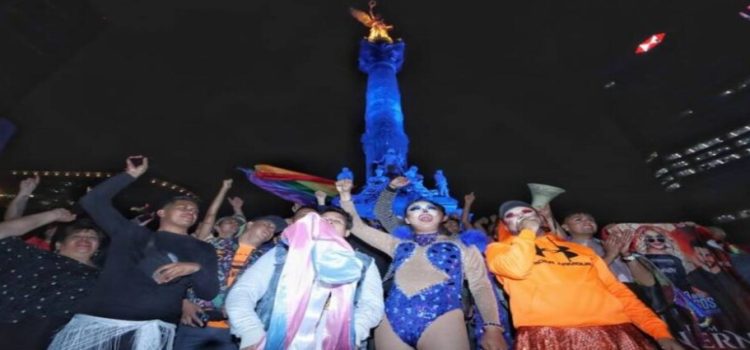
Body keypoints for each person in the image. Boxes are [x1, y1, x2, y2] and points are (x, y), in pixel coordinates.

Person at [49, 156, 219, 350]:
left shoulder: (203, 248)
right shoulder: (131, 233)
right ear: (161, 213)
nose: (191, 211)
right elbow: (93, 201)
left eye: (195, 211)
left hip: (153, 330)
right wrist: (129, 175)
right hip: (101, 323)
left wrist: (195, 268)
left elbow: (208, 292)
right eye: (183, 207)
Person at [486, 200, 683, 350]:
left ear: (540, 217)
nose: (520, 216)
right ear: (505, 225)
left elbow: (618, 292)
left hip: (615, 332)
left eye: (526, 212)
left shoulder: (580, 250)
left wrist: (659, 332)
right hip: (548, 335)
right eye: (511, 216)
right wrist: (527, 231)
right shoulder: (499, 249)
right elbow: (516, 269)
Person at [336, 179, 506, 350]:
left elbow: (480, 285)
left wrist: (493, 328)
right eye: (415, 208)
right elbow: (358, 227)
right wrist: (345, 196)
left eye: (431, 208)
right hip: (391, 320)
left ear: (443, 217)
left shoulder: (464, 246)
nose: (423, 210)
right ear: (407, 220)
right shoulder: (396, 244)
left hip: (443, 319)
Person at [225, 208, 384, 350]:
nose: (328, 222)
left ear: (347, 232)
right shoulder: (282, 254)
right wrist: (251, 332)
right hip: (273, 340)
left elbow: (372, 304)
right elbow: (243, 291)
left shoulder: (363, 263)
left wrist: (353, 334)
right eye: (323, 220)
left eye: (337, 221)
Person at [176, 215, 286, 350]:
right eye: (267, 224)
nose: (270, 229)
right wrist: (183, 301)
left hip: (233, 333)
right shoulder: (214, 244)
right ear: (250, 224)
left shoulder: (267, 260)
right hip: (195, 324)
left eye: (273, 229)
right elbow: (182, 272)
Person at [0, 210, 104, 349]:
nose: (84, 239)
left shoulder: (103, 277)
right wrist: (53, 215)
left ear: (98, 247)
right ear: (58, 244)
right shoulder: (33, 258)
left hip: (46, 339)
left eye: (92, 237)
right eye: (76, 235)